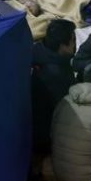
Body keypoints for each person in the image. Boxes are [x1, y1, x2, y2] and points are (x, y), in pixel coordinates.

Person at [31, 19, 77, 156]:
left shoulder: (37, 51)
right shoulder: (55, 73)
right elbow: (65, 107)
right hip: (47, 134)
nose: (75, 44)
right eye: (73, 40)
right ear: (63, 45)